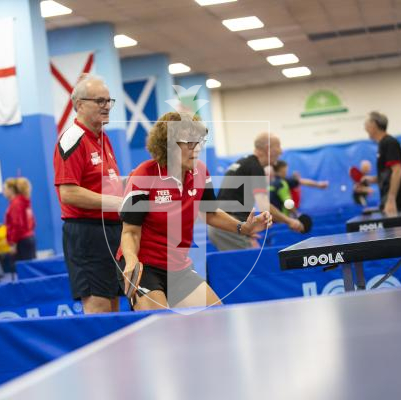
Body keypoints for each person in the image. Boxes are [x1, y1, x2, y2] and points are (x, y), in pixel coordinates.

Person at [118, 112, 271, 310]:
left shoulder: (200, 172)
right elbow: (130, 231)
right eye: (188, 142)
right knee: (161, 327)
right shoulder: (144, 175)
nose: (196, 148)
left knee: (218, 317)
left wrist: (243, 227)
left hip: (178, 267)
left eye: (198, 141)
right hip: (144, 267)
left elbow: (210, 213)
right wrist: (131, 261)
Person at [54, 74, 124, 314]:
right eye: (99, 101)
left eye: (108, 101)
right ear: (80, 104)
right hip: (87, 234)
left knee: (114, 303)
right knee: (99, 307)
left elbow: (108, 184)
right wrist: (117, 201)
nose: (106, 107)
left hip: (113, 231)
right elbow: (68, 193)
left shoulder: (104, 138)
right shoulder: (72, 139)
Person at [209, 132, 303, 251]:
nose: (281, 151)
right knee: (252, 264)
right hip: (226, 227)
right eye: (278, 146)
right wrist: (290, 221)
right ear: (268, 149)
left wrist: (245, 229)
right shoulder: (255, 167)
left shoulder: (244, 163)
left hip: (225, 225)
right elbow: (264, 206)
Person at [362, 111, 401, 214]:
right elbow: (388, 174)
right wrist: (372, 179)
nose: (365, 128)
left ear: (374, 125)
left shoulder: (389, 142)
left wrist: (391, 199)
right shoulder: (382, 144)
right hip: (390, 198)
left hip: (398, 200)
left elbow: (398, 171)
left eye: (366, 124)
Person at [3, 177, 37, 261]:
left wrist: (13, 243)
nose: (3, 192)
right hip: (29, 238)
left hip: (22, 242)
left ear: (11, 190)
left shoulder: (16, 204)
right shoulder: (24, 201)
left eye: (5, 189)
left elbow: (16, 224)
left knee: (24, 270)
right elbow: (32, 222)